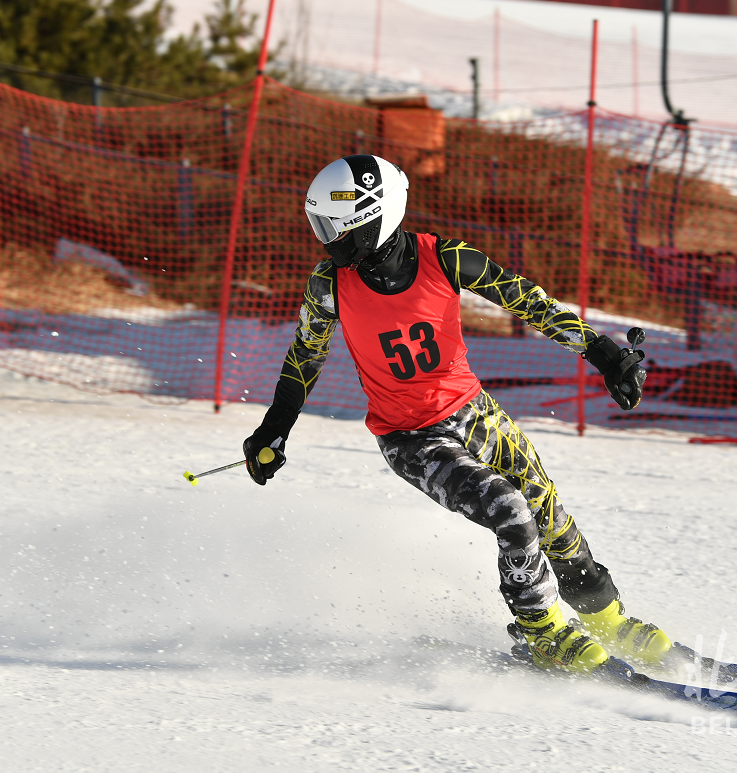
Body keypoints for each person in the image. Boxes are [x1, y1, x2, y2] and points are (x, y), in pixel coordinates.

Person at [242, 155, 670, 674]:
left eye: (334, 230)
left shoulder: (445, 257)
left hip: (475, 413)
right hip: (410, 438)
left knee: (548, 512)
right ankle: (540, 629)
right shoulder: (328, 286)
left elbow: (526, 300)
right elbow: (304, 357)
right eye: (321, 229)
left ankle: (605, 619)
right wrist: (273, 430)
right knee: (510, 510)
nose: (326, 244)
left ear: (375, 218)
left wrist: (603, 352)